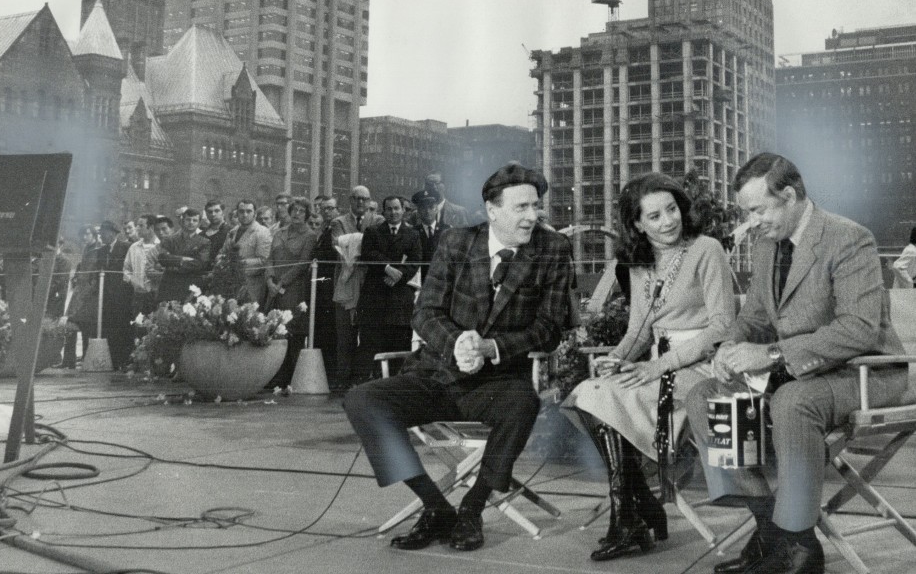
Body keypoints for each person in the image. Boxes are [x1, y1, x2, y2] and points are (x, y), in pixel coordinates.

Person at [685, 153, 908, 574]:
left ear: (789, 195)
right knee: (706, 397)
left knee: (792, 402)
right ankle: (775, 533)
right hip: (803, 372)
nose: (752, 221)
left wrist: (770, 355)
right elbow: (754, 316)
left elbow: (859, 329)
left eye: (757, 210)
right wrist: (729, 347)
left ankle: (800, 552)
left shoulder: (849, 238)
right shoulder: (768, 246)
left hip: (865, 372)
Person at [344, 163, 573, 552]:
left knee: (523, 404)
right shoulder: (456, 242)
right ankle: (436, 507)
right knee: (362, 400)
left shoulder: (552, 249)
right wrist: (458, 344)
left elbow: (550, 327)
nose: (532, 216)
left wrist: (491, 349)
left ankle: (472, 506)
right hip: (437, 373)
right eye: (521, 207)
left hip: (498, 383)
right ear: (492, 209)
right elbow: (425, 311)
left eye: (536, 206)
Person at [561, 173, 736, 561]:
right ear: (637, 223)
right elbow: (639, 331)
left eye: (671, 209)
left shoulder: (707, 249)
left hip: (704, 368)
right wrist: (619, 357)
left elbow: (723, 324)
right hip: (660, 366)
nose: (667, 221)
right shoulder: (639, 261)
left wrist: (657, 367)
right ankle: (635, 509)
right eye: (654, 216)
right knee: (589, 393)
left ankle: (630, 516)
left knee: (599, 398)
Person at [355, 195, 422, 383]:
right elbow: (368, 254)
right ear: (383, 212)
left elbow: (415, 261)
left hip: (399, 298)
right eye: (389, 209)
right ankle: (371, 382)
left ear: (403, 210)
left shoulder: (412, 234)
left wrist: (398, 276)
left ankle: (396, 383)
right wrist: (387, 268)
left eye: (396, 208)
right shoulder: (373, 231)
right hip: (375, 297)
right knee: (372, 342)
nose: (393, 212)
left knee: (398, 341)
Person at [330, 185, 384, 391]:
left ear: (370, 201)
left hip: (370, 285)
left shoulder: (377, 220)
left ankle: (363, 380)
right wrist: (366, 245)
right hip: (345, 284)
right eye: (356, 198)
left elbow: (375, 245)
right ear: (349, 200)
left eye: (365, 199)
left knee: (369, 335)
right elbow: (338, 246)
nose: (361, 203)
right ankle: (343, 380)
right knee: (345, 335)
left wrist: (353, 243)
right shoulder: (338, 222)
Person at [266, 197, 317, 389]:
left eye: (301, 211)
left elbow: (302, 264)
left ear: (307, 215)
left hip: (293, 289)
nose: (296, 214)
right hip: (273, 289)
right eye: (294, 210)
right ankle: (274, 374)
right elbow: (269, 259)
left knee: (292, 331)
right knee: (273, 330)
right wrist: (270, 281)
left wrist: (281, 283)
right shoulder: (279, 232)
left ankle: (290, 378)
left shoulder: (310, 235)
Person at [311, 196, 342, 389]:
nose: (327, 212)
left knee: (331, 332)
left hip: (331, 284)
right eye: (324, 209)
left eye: (330, 209)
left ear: (338, 210)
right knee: (321, 330)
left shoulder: (337, 229)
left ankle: (331, 374)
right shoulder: (323, 232)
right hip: (321, 285)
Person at [97, 220, 134, 370]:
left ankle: (123, 360)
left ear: (113, 233)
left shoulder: (126, 247)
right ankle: (111, 359)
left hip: (122, 296)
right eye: (100, 234)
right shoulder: (101, 251)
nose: (101, 236)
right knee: (109, 328)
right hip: (106, 298)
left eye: (103, 233)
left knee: (122, 328)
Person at [220, 200, 273, 305]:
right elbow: (223, 252)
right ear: (237, 213)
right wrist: (220, 259)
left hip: (252, 287)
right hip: (231, 284)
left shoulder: (262, 232)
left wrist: (238, 263)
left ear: (255, 214)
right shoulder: (233, 231)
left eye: (249, 211)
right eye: (241, 211)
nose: (245, 215)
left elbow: (264, 261)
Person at [64, 225, 102, 369]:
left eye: (87, 234)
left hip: (89, 294)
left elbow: (95, 274)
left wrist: (89, 290)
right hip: (79, 291)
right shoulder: (86, 250)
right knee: (70, 324)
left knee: (86, 326)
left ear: (94, 235)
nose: (84, 237)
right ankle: (68, 360)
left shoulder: (98, 250)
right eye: (83, 235)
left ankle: (86, 359)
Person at [157, 208, 211, 304]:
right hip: (169, 283)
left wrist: (173, 262)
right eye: (188, 219)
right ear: (182, 221)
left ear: (199, 224)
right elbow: (162, 258)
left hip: (190, 284)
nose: (191, 223)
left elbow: (200, 264)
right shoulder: (170, 239)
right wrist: (182, 259)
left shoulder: (204, 242)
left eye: (194, 220)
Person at [123, 214, 161, 319]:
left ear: (151, 227)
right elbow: (126, 269)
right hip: (138, 296)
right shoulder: (134, 247)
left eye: (141, 225)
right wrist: (132, 280)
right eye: (137, 225)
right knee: (137, 326)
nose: (137, 228)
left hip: (157, 296)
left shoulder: (161, 246)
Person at [412, 187, 448, 283]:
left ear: (436, 209)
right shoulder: (412, 232)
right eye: (423, 208)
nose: (427, 211)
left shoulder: (447, 230)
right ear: (418, 211)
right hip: (419, 281)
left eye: (431, 207)